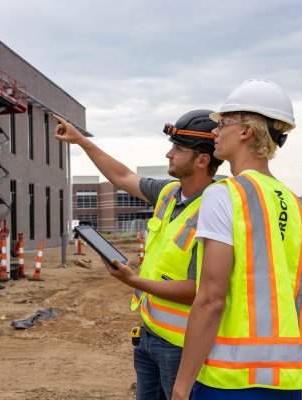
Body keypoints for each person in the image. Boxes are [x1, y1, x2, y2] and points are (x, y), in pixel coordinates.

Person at [53, 110, 223, 399]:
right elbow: (121, 176)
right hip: (149, 336)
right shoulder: (169, 193)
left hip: (182, 346)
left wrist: (133, 281)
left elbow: (197, 291)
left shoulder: (216, 209)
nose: (169, 154)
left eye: (178, 150)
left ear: (202, 160)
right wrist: (81, 141)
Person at [172, 79, 302, 400]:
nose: (215, 132)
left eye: (223, 124)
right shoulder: (295, 204)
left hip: (229, 380)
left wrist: (181, 386)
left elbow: (211, 300)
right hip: (286, 379)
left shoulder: (225, 195)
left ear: (246, 131)